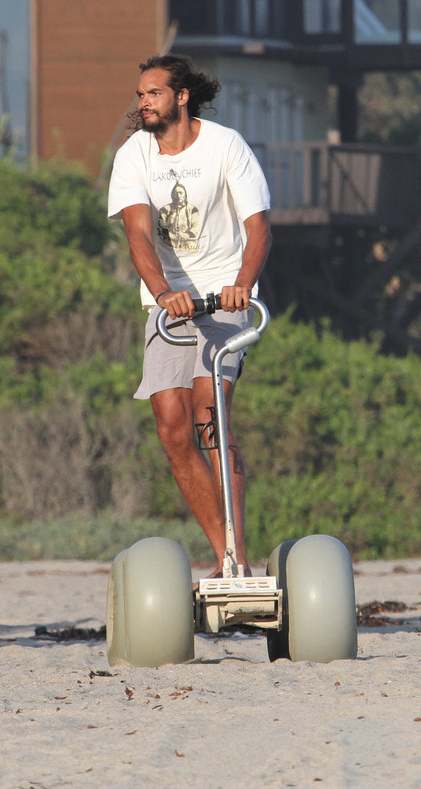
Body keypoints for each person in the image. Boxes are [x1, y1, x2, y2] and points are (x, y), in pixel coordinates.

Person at [107, 54, 272, 575]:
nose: (142, 103)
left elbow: (259, 227)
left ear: (180, 96)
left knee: (210, 418)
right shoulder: (135, 154)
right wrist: (161, 292)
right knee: (172, 429)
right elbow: (137, 235)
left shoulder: (226, 146)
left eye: (151, 93)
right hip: (169, 306)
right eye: (139, 95)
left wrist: (241, 285)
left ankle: (238, 559)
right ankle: (221, 552)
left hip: (225, 299)